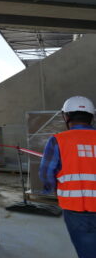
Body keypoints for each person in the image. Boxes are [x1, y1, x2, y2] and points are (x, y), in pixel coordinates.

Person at [39, 96, 96, 258]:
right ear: (92, 116)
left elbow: (46, 175)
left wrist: (51, 188)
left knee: (88, 252)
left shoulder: (58, 141)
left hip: (76, 208)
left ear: (66, 116)